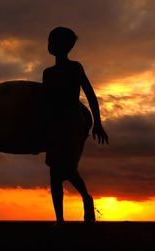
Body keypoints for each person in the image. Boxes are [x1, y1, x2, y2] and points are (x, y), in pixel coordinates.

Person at [43, 27, 109, 225]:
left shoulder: (75, 68)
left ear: (66, 46)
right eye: (49, 40)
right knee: (55, 175)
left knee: (69, 170)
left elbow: (90, 94)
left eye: (54, 41)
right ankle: (60, 221)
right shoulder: (47, 73)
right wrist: (37, 135)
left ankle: (86, 198)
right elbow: (44, 104)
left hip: (74, 126)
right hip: (55, 127)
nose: (50, 44)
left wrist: (97, 122)